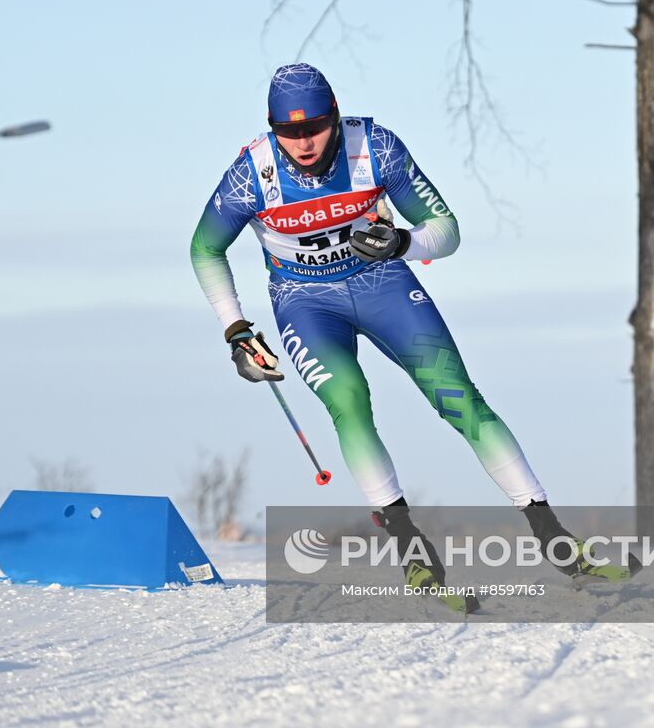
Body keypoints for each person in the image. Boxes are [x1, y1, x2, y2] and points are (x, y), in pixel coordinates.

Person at [189, 64, 628, 610]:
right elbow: (204, 248)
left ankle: (556, 540)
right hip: (305, 303)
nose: (303, 143)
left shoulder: (375, 147)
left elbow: (447, 230)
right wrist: (235, 330)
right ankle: (411, 550)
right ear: (272, 127)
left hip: (384, 285)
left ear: (335, 115)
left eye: (315, 128)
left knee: (460, 399)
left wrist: (402, 243)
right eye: (289, 132)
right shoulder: (249, 175)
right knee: (349, 402)